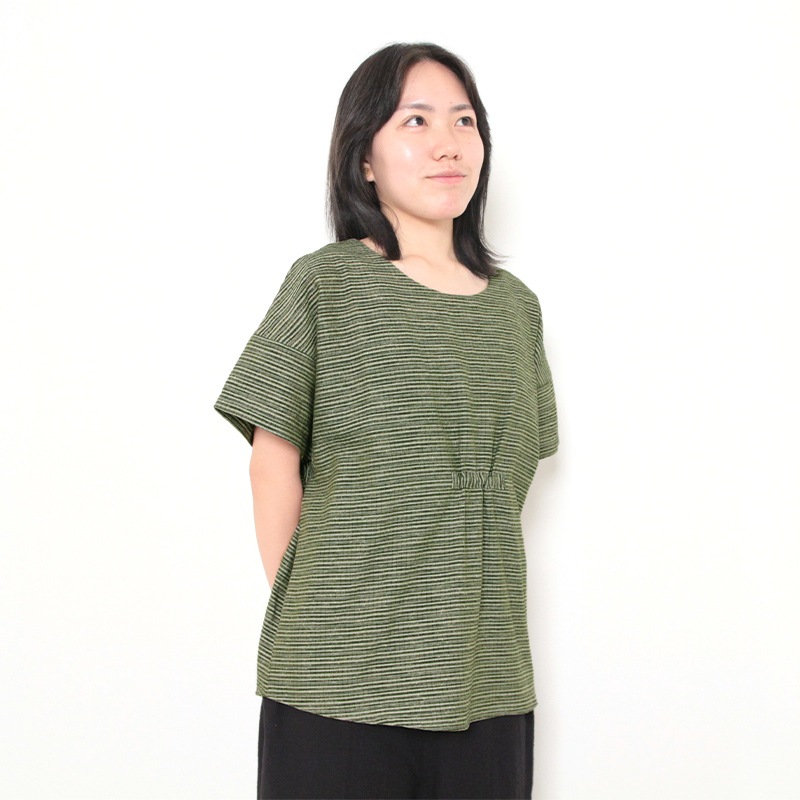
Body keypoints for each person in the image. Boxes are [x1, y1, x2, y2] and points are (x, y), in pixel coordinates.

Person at [214, 41, 559, 800]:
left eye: (465, 121)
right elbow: (271, 459)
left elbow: (510, 480)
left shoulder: (517, 310)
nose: (448, 143)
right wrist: (322, 616)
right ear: (363, 158)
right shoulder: (327, 283)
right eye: (416, 120)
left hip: (487, 676)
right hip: (337, 678)